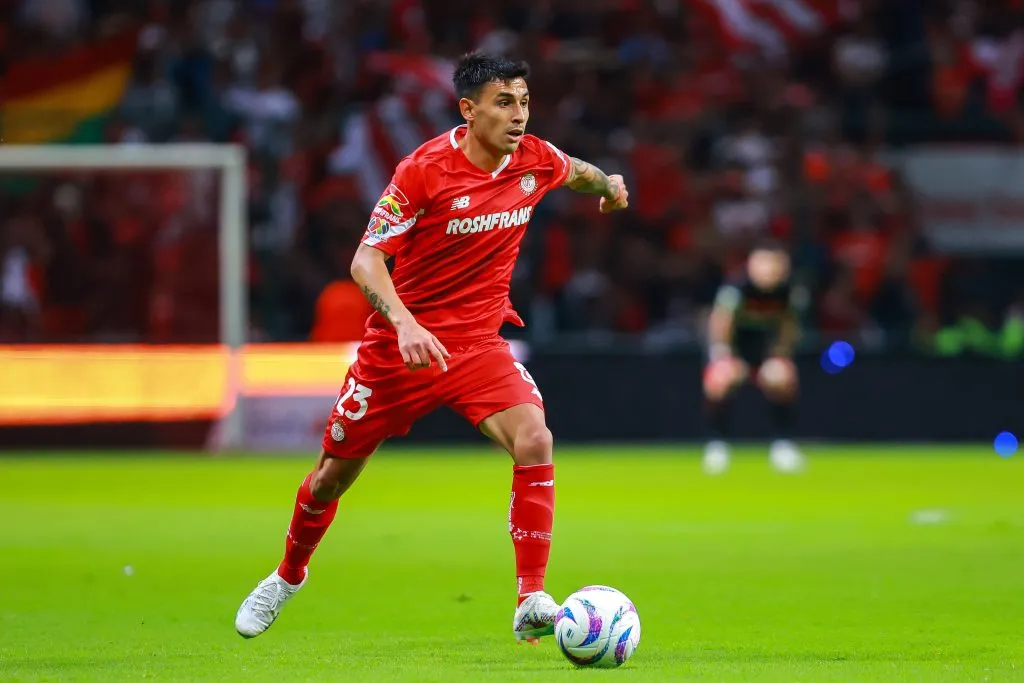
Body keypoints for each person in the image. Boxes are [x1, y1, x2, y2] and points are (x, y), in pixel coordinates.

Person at [235, 53, 629, 642]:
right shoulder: (422, 170)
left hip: (477, 344)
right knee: (329, 480)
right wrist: (403, 323)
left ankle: (531, 597)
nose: (518, 115)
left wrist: (610, 186)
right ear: (468, 110)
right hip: (399, 351)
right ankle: (288, 576)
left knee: (535, 438)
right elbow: (365, 260)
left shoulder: (534, 160)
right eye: (504, 103)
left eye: (523, 101)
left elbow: (578, 171)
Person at [702, 241, 805, 474]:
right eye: (763, 264)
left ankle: (783, 445)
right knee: (719, 381)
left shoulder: (788, 291)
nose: (768, 270)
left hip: (766, 355)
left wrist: (780, 355)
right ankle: (717, 445)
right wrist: (723, 355)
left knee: (782, 377)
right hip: (735, 354)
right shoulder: (736, 288)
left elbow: (789, 328)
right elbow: (721, 322)